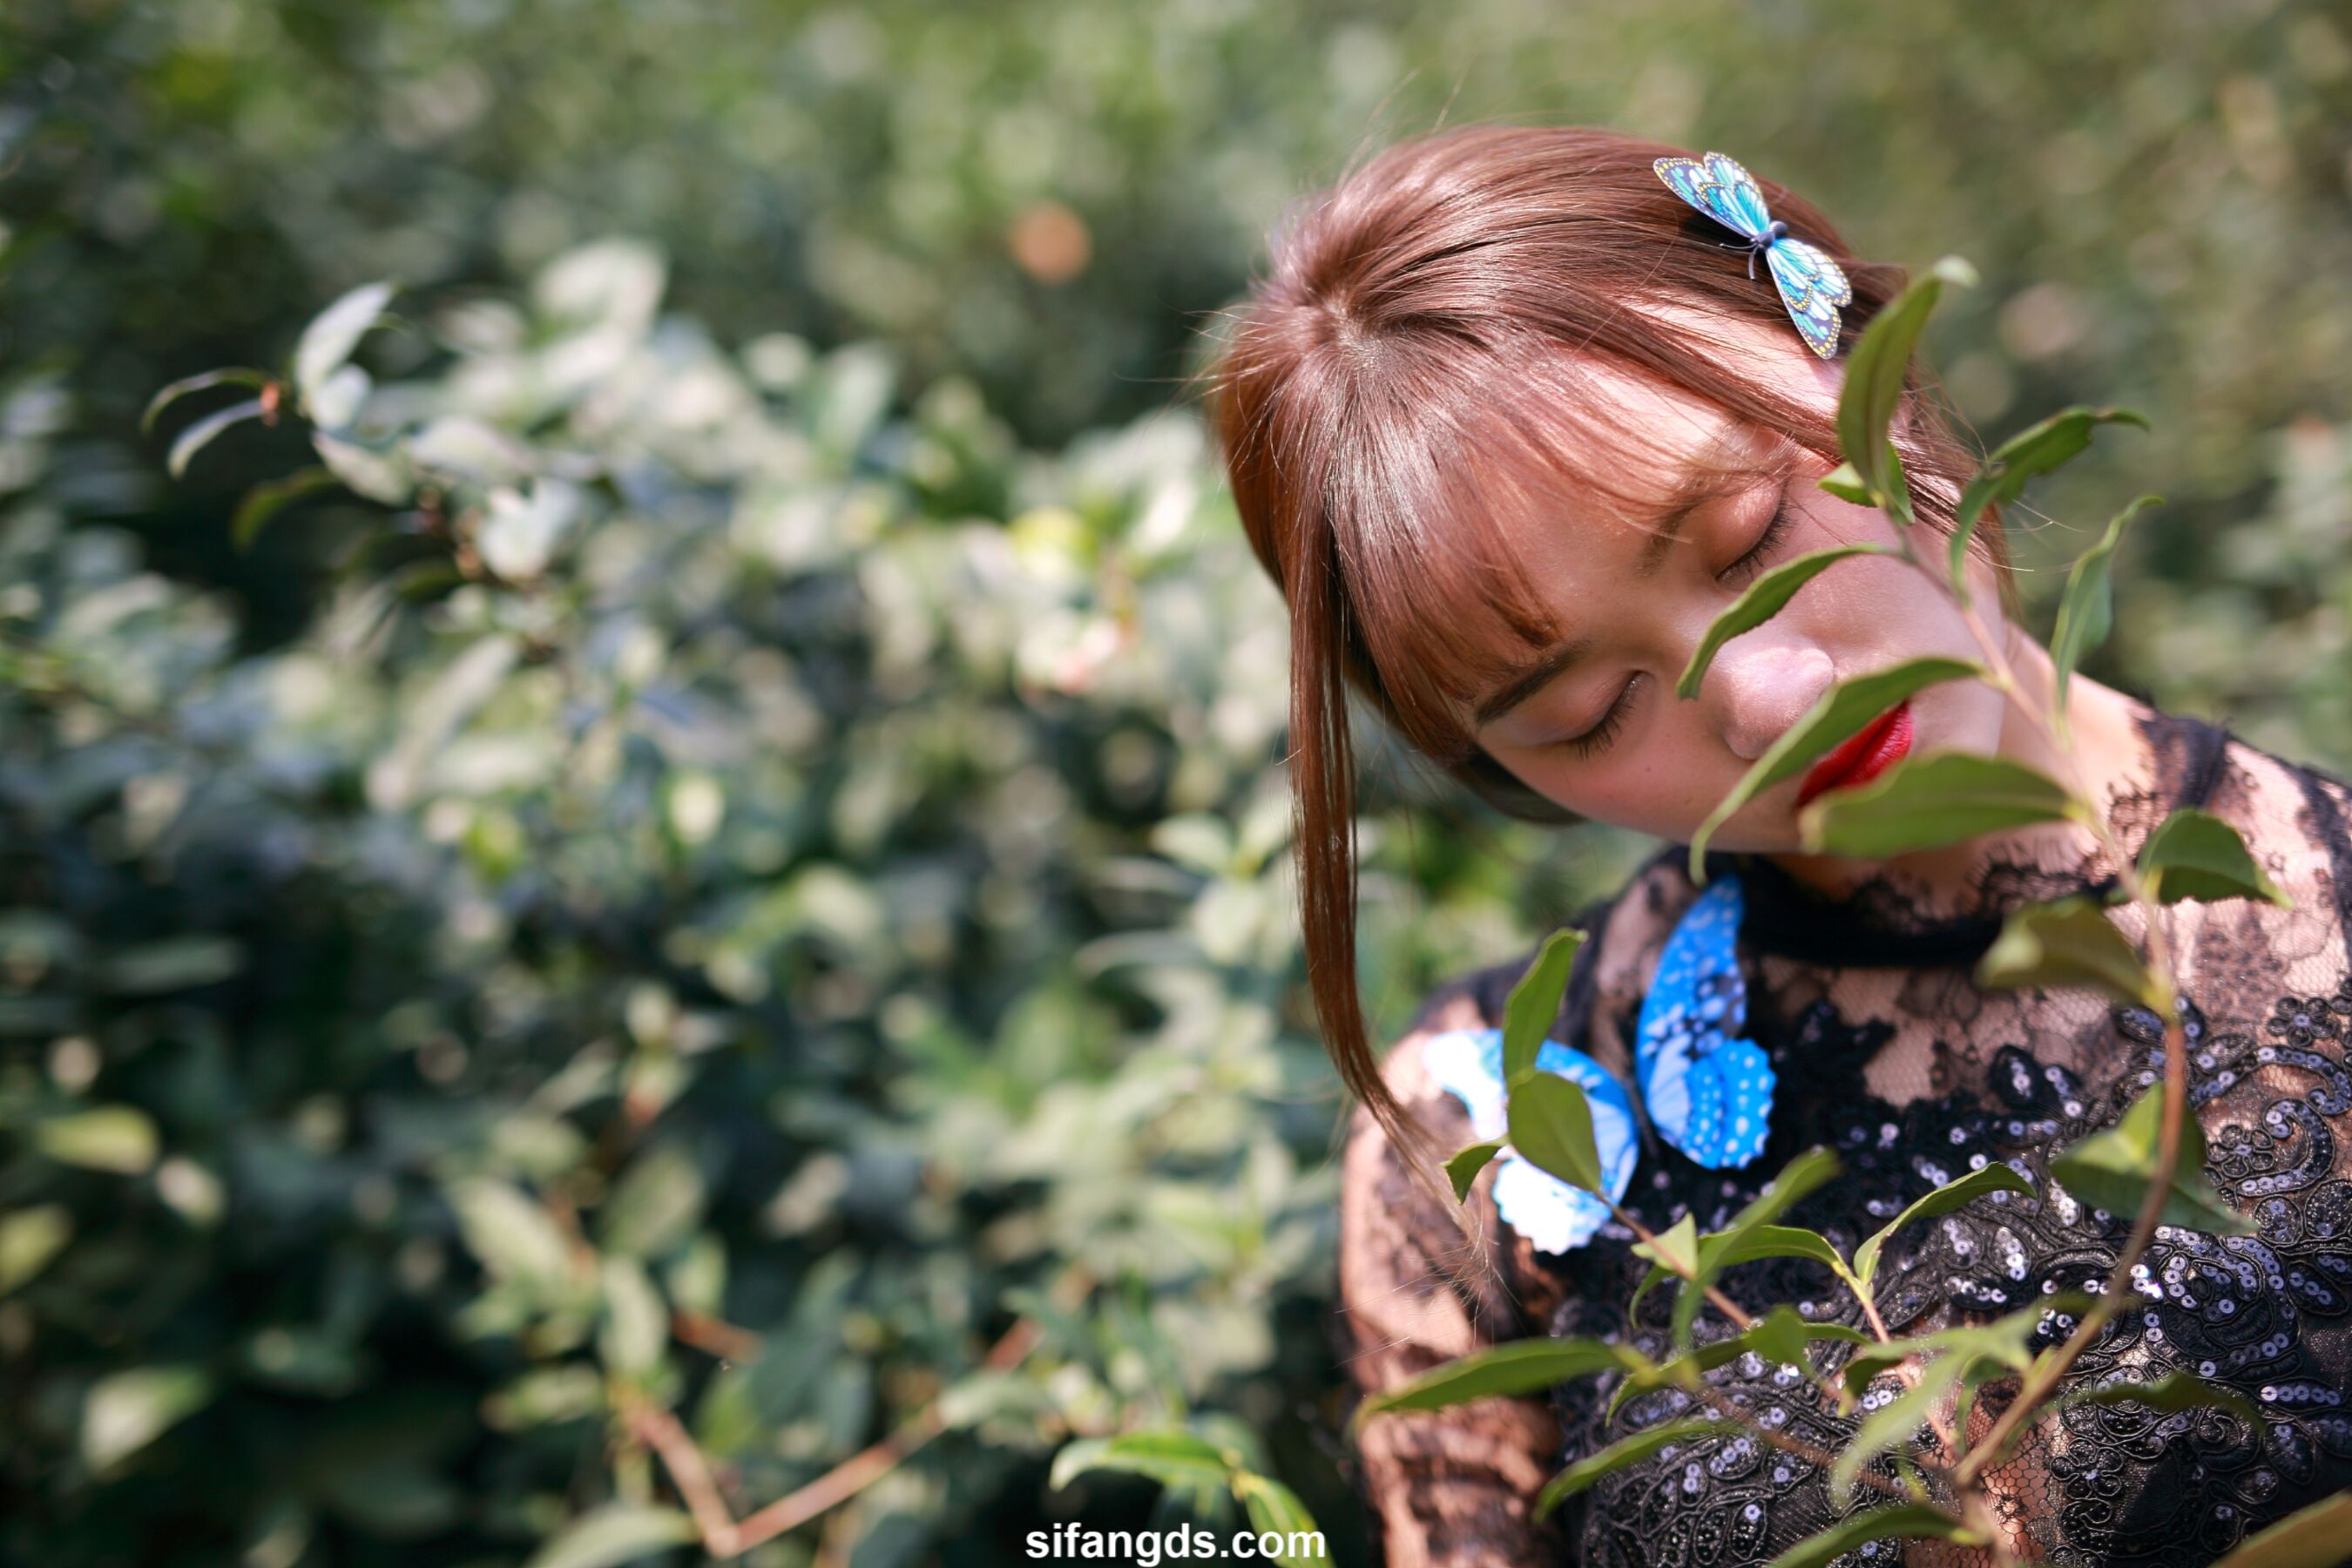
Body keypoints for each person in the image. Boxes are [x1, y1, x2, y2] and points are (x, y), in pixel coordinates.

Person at [1207, 125, 2352, 1566]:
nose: (1769, 698)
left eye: (1749, 535)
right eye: (1589, 713)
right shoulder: (1494, 1137)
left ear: (1855, 347)